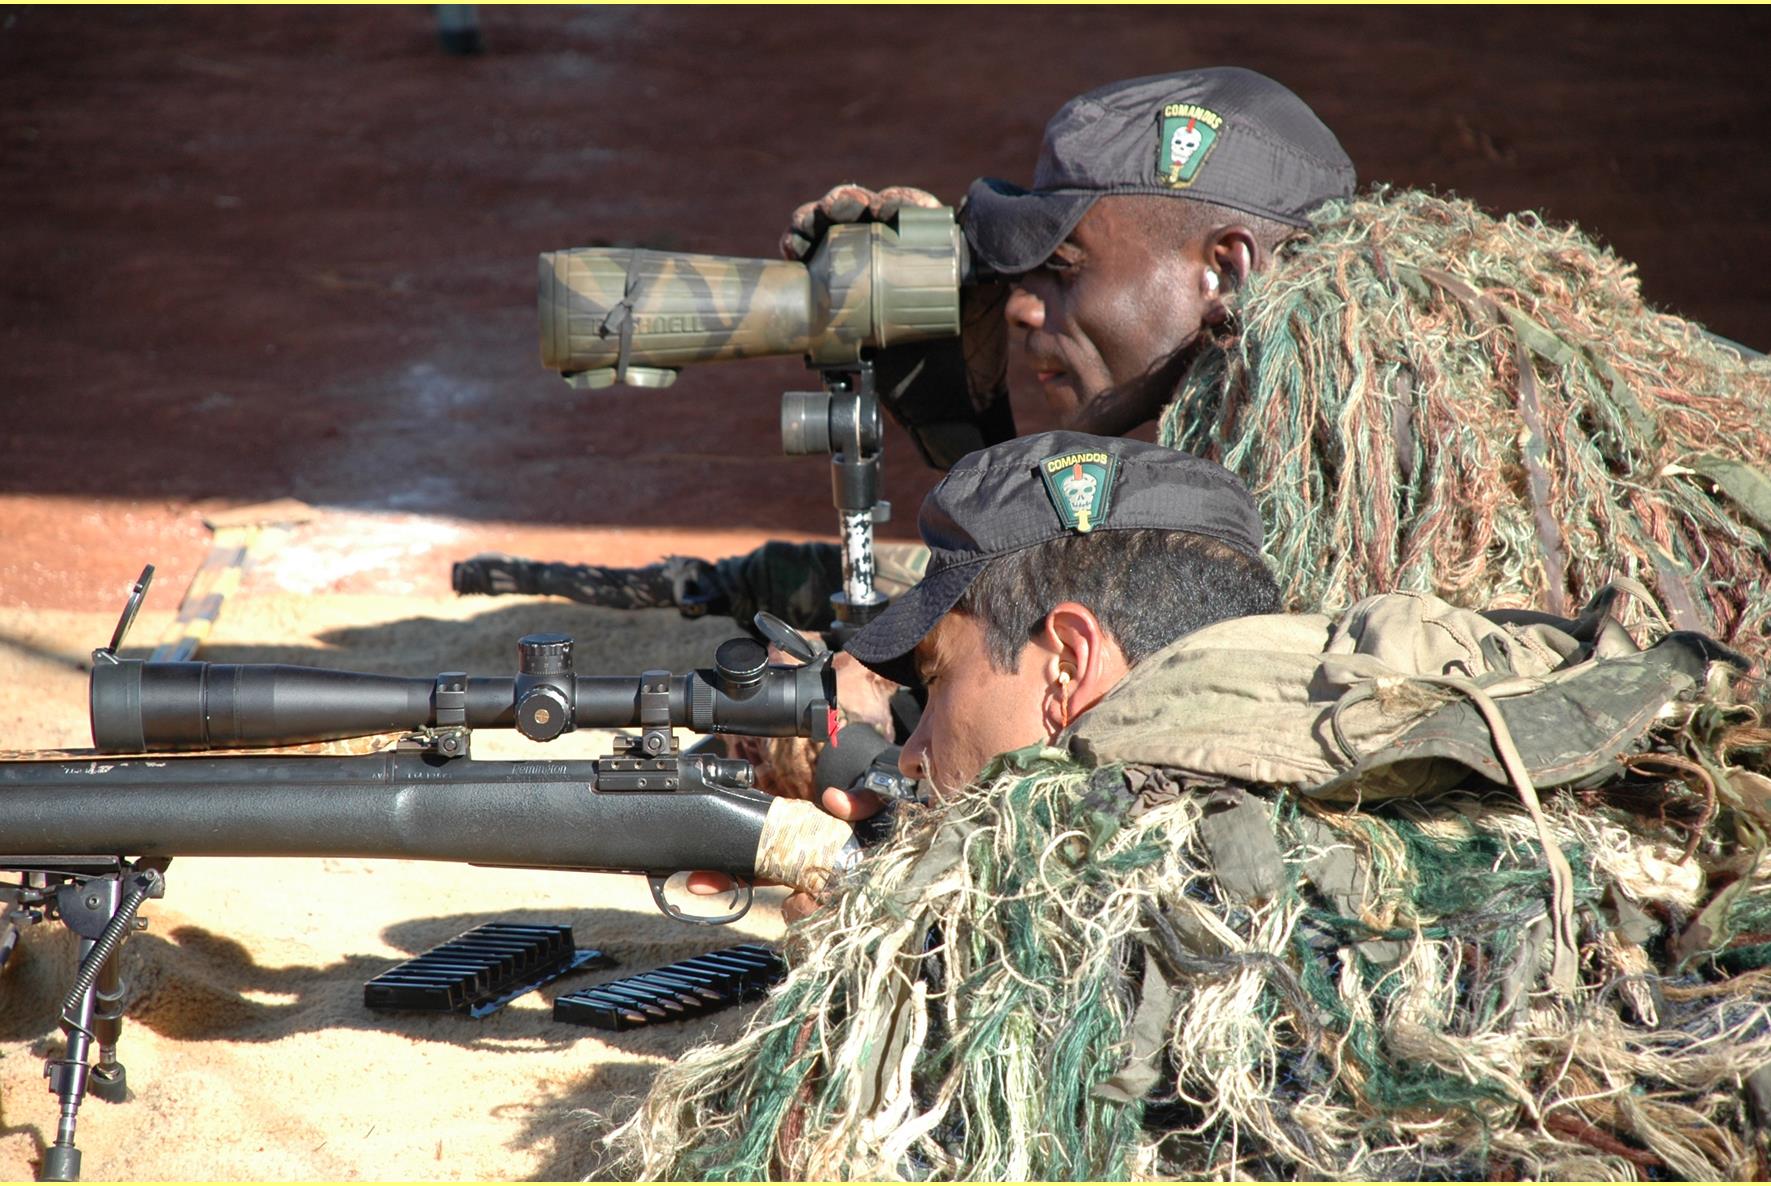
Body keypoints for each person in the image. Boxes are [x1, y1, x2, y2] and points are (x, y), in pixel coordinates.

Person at [608, 431, 1771, 1180]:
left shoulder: (1150, 860)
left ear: (1066, 663)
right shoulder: (1338, 713)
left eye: (935, 686)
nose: (912, 745)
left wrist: (840, 875)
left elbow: (885, 1114)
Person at [456, 67, 1771, 670]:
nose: (1024, 314)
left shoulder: (1368, 420)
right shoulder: (1224, 368)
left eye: (1060, 272)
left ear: (1228, 274)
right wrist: (948, 345)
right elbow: (1081, 510)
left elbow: (1189, 670)